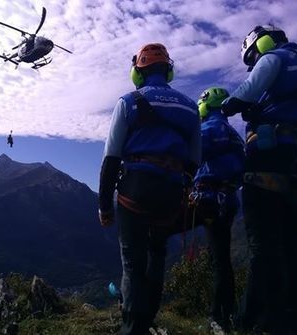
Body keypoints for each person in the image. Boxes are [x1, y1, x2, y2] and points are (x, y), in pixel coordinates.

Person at [98, 43, 201, 335]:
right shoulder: (191, 107)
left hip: (135, 191)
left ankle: (132, 328)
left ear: (138, 72)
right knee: (157, 254)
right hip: (171, 193)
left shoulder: (128, 102)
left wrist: (105, 205)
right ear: (168, 70)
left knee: (133, 263)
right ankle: (147, 319)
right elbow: (194, 159)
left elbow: (111, 158)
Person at [221, 25, 297, 334]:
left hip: (271, 158)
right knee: (296, 242)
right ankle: (295, 319)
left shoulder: (273, 58)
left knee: (265, 244)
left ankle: (254, 322)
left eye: (252, 56)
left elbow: (245, 93)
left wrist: (228, 107)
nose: (253, 61)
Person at [192, 87, 245, 332]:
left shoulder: (208, 129)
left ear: (205, 104)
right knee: (222, 259)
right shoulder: (235, 134)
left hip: (206, 198)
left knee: (155, 235)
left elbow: (191, 156)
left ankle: (218, 318)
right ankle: (226, 314)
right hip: (229, 200)